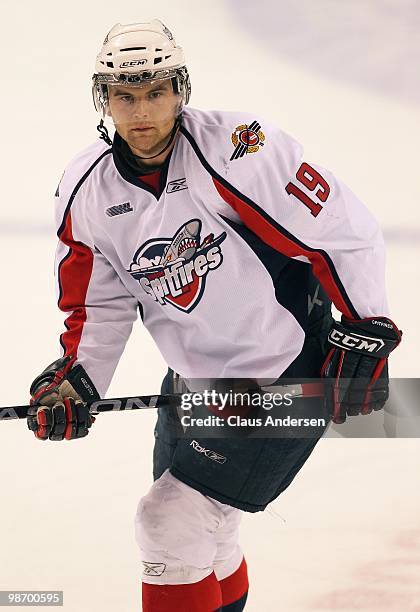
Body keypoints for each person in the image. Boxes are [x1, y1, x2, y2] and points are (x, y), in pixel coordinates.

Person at [27, 20, 402, 612]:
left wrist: (366, 327)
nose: (142, 110)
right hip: (193, 383)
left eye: (156, 91)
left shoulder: (239, 149)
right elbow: (99, 302)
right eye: (124, 95)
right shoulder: (86, 189)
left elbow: (340, 232)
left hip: (284, 373)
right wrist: (80, 377)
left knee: (168, 523)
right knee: (205, 536)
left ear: (181, 90)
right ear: (103, 99)